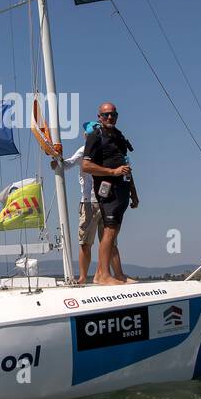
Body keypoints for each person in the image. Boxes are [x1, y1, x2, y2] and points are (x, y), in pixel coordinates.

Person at [81, 102, 138, 285]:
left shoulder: (119, 137)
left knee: (114, 233)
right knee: (109, 230)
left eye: (113, 114)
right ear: (99, 117)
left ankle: (107, 274)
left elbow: (126, 166)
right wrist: (112, 172)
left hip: (122, 190)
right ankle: (104, 275)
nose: (110, 117)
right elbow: (86, 166)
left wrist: (133, 192)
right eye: (105, 115)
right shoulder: (95, 136)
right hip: (107, 190)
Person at [52, 121, 103, 283]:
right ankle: (82, 277)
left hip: (106, 201)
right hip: (89, 202)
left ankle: (101, 275)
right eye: (91, 135)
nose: (93, 138)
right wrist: (57, 161)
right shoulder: (83, 151)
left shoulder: (106, 151)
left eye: (97, 135)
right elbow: (68, 164)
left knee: (108, 242)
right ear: (85, 136)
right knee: (85, 242)